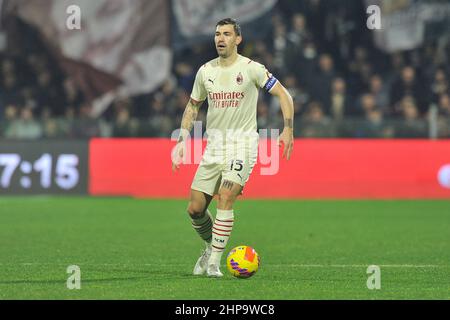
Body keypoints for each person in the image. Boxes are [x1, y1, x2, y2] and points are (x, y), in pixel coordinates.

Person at [172, 18, 294, 277]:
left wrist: (288, 129)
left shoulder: (252, 69)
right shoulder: (205, 71)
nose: (220, 38)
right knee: (195, 209)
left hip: (243, 145)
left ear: (238, 39)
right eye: (217, 34)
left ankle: (215, 262)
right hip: (213, 147)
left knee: (226, 196)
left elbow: (284, 94)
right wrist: (182, 138)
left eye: (227, 34)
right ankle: (209, 247)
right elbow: (193, 105)